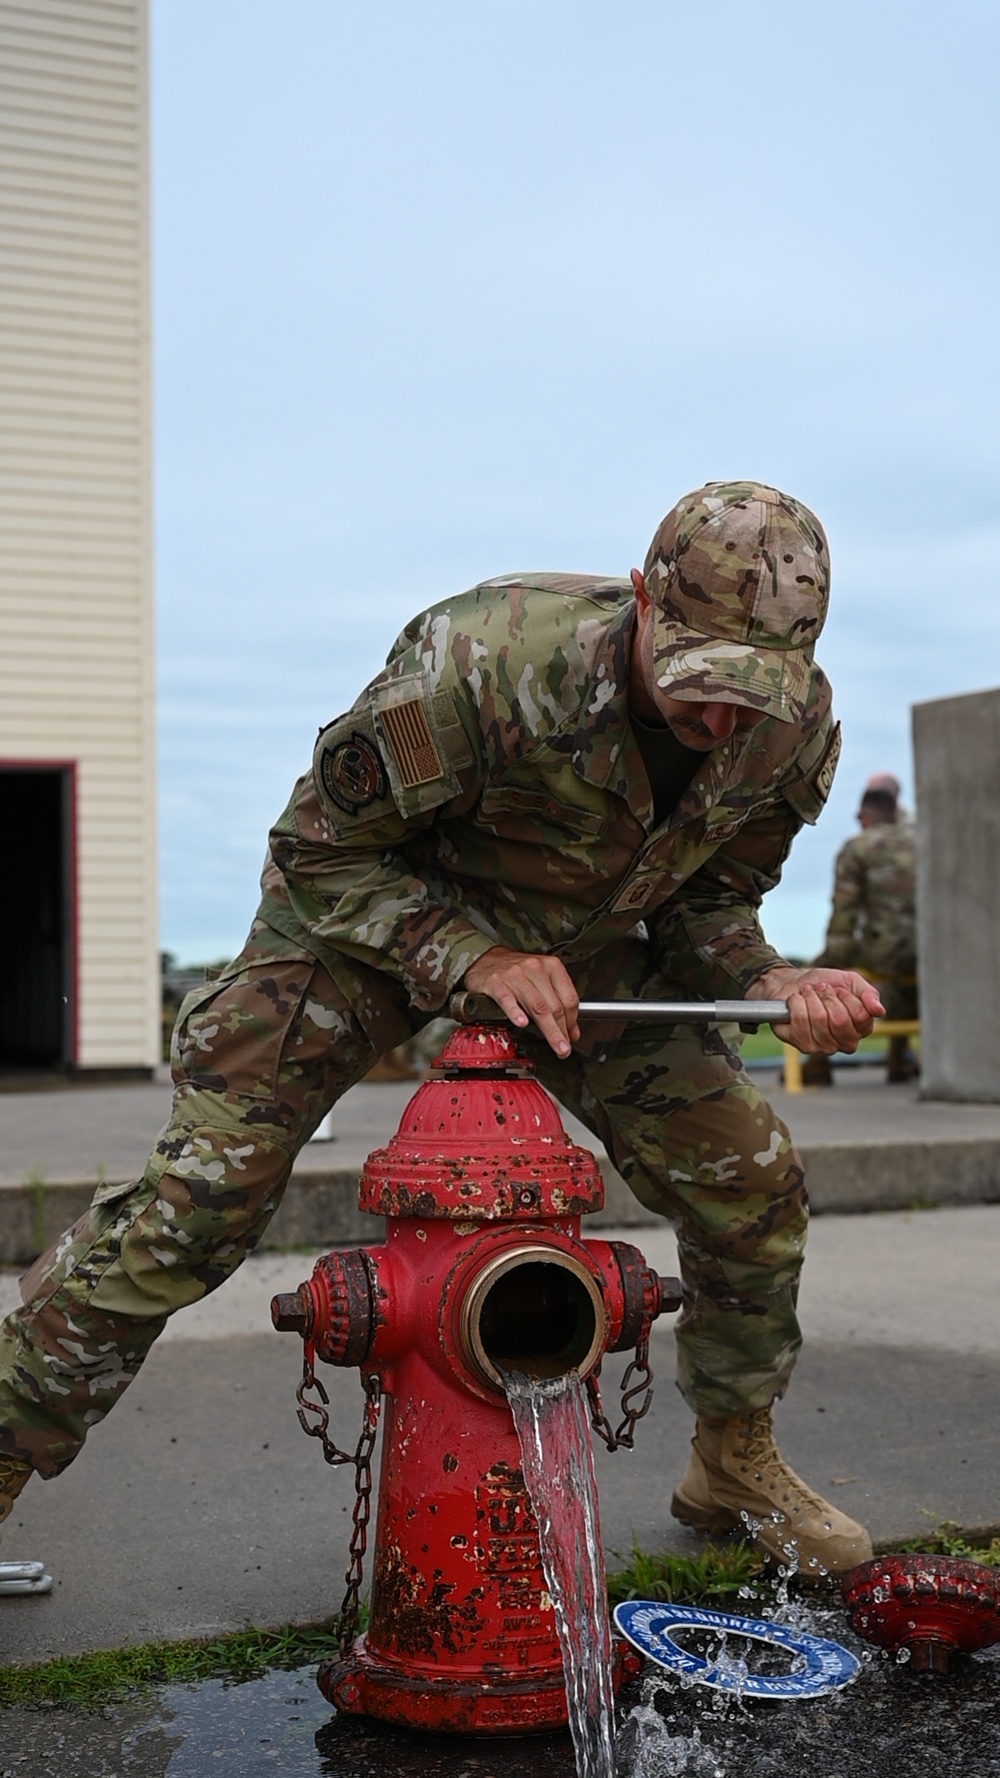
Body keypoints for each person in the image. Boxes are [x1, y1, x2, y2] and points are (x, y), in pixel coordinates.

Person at [0, 481, 884, 1581]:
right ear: (645, 604)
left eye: (749, 699)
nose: (720, 723)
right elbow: (322, 850)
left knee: (749, 1177)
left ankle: (731, 1457)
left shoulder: (788, 729)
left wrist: (774, 975)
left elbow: (706, 902)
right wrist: (468, 956)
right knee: (198, 1204)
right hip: (368, 917)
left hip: (579, 944)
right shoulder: (488, 660)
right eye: (700, 685)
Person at [802, 775, 918, 1085]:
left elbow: (844, 921)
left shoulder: (857, 848)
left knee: (815, 975)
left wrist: (821, 965)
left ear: (865, 817)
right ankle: (898, 1062)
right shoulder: (924, 841)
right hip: (928, 961)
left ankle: (816, 1065)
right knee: (900, 960)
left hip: (882, 958)